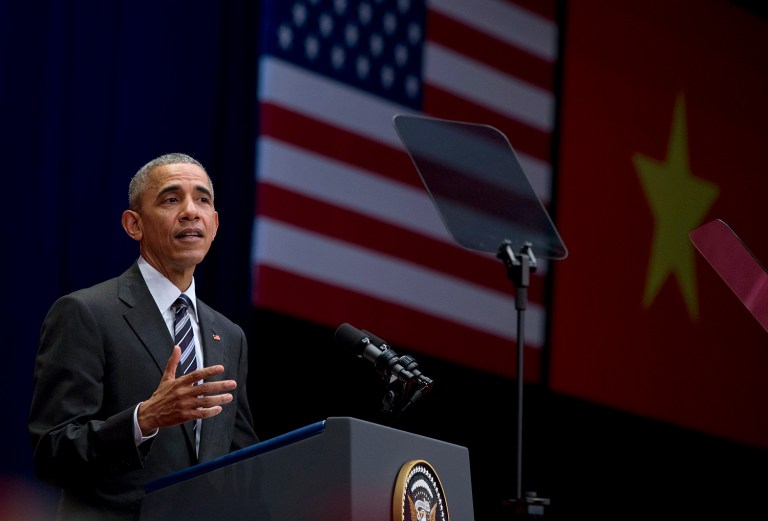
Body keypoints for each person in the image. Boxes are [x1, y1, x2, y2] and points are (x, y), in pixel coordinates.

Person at [28, 152, 259, 520]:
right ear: (134, 224)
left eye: (202, 200)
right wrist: (143, 420)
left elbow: (243, 462)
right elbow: (53, 455)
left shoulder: (229, 336)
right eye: (171, 199)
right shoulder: (86, 313)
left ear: (214, 224)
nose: (190, 211)